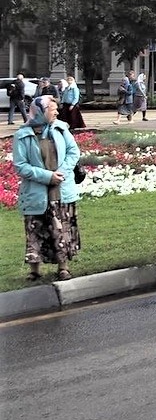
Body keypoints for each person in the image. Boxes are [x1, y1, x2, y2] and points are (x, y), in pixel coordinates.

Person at [13, 96, 81, 281]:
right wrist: (47, 176)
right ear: (41, 112)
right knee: (35, 230)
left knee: (62, 230)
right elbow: (21, 166)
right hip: (37, 192)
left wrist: (61, 173)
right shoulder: (23, 135)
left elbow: (73, 152)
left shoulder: (61, 128)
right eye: (52, 109)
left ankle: (63, 268)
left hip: (61, 189)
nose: (57, 112)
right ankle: (35, 271)